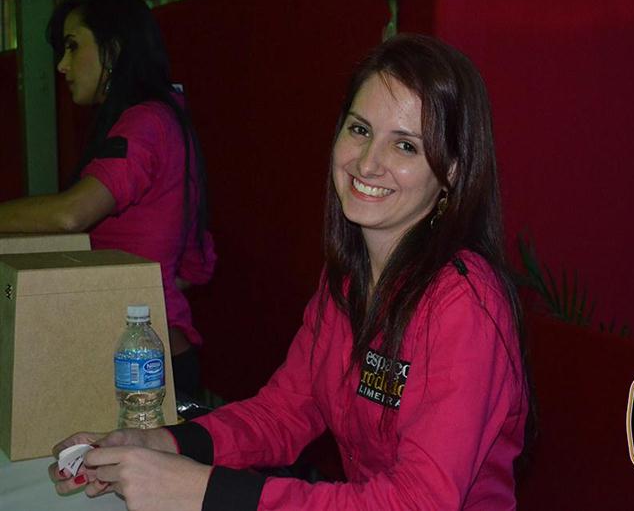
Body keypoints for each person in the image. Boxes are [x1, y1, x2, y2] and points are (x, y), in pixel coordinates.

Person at [49, 33, 530, 510]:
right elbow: (283, 412)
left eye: (405, 145)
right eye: (360, 130)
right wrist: (162, 443)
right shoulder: (347, 282)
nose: (368, 163)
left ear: (451, 172)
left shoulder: (464, 303)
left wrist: (200, 489)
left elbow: (417, 502)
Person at [0, 0, 216, 398]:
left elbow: (71, 214)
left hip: (145, 371)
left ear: (113, 50)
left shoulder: (144, 124)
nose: (62, 65)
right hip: (160, 358)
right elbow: (195, 265)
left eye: (72, 46)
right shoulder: (168, 120)